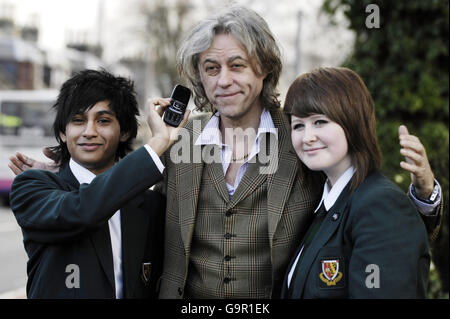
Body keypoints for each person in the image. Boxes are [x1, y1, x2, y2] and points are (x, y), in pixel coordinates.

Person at [9, 6, 442, 299]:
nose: (224, 81)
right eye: (211, 68)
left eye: (237, 65)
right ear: (199, 75)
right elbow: (120, 182)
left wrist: (424, 197)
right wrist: (65, 165)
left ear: (264, 69)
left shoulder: (301, 140)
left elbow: (360, 206)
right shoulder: (177, 140)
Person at [8, 69, 188, 298]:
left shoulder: (151, 205)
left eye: (103, 121)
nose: (89, 132)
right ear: (63, 132)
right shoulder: (32, 186)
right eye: (78, 120)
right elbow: (82, 209)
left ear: (124, 132)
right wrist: (158, 142)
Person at [281, 67, 431, 298]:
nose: (307, 137)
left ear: (352, 122)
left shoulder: (379, 204)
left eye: (320, 121)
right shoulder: (325, 204)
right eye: (298, 125)